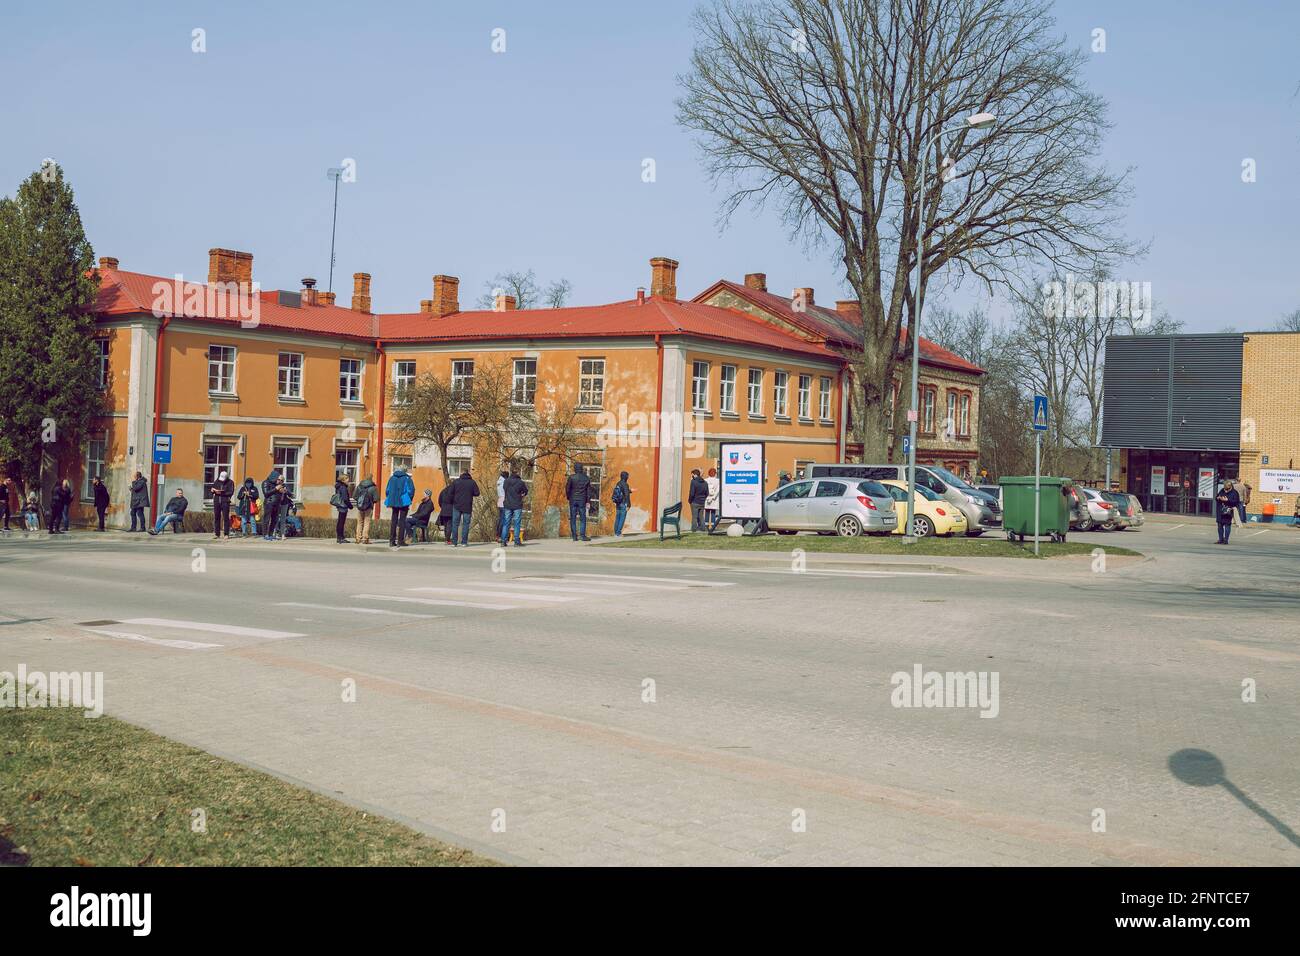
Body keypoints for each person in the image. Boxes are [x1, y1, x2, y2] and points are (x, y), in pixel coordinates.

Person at [385, 465, 415, 548]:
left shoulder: (391, 478)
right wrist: (409, 499)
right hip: (403, 501)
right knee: (402, 521)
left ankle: (391, 541)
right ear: (405, 470)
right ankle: (400, 541)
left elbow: (387, 490)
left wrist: (390, 498)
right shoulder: (407, 479)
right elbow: (411, 490)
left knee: (394, 521)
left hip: (393, 501)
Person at [450, 468, 480, 547]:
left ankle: (454, 542)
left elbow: (450, 492)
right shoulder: (472, 482)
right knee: (466, 524)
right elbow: (477, 493)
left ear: (461, 473)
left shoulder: (456, 482)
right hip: (467, 505)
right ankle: (464, 542)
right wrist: (470, 493)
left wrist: (454, 498)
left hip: (457, 505)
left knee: (455, 524)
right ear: (468, 473)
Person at [500, 468, 528, 546]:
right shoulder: (520, 482)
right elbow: (526, 491)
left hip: (507, 504)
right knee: (517, 523)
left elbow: (504, 489)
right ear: (518, 473)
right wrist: (521, 495)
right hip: (517, 504)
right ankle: (516, 541)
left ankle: (503, 541)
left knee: (506, 523)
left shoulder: (506, 481)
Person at [565, 463, 592, 541]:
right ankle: (582, 536)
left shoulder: (571, 477)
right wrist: (588, 501)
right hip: (582, 500)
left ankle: (574, 536)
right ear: (581, 469)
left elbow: (567, 489)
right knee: (582, 518)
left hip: (573, 500)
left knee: (573, 518)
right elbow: (588, 491)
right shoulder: (586, 478)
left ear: (575, 469)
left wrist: (568, 497)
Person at [210, 470, 234, 539]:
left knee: (226, 518)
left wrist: (222, 493)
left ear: (227, 477)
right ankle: (217, 533)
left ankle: (226, 534)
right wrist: (212, 491)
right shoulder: (217, 481)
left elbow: (231, 492)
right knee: (217, 517)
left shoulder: (230, 482)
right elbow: (212, 489)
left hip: (225, 501)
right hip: (217, 501)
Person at [353, 474, 377, 544]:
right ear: (371, 478)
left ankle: (358, 538)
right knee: (367, 522)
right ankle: (365, 538)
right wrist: (371, 501)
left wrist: (360, 501)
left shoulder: (359, 486)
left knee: (359, 522)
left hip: (360, 507)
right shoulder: (373, 487)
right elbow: (376, 498)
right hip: (369, 507)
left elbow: (354, 496)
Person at [1215, 480, 1239, 545]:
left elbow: (1236, 502)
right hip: (1220, 510)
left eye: (1227, 488)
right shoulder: (1222, 490)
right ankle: (1220, 539)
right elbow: (1216, 497)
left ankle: (1226, 540)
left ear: (1230, 486)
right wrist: (1218, 498)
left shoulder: (1234, 493)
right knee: (1219, 525)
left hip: (1228, 511)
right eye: (1224, 488)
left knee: (1227, 525)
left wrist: (1227, 500)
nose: (1225, 490)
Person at [261, 469, 282, 541]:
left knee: (274, 520)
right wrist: (276, 489)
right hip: (268, 503)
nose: (277, 480)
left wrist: (281, 491)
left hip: (276, 504)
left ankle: (271, 534)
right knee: (266, 519)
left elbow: (278, 494)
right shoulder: (265, 483)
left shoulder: (276, 484)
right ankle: (265, 534)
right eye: (277, 478)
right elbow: (266, 493)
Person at [331, 473, 352, 544]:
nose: (348, 480)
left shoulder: (339, 486)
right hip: (343, 506)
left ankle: (340, 537)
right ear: (343, 480)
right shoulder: (343, 487)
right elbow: (345, 499)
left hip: (340, 505)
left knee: (340, 522)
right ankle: (340, 538)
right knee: (341, 522)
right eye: (347, 479)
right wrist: (350, 506)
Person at [611, 470, 632, 537]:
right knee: (622, 518)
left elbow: (621, 491)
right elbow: (626, 494)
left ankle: (615, 532)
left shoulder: (618, 483)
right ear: (626, 477)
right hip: (623, 503)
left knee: (617, 517)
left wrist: (630, 490)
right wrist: (629, 504)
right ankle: (618, 533)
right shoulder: (625, 484)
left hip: (618, 503)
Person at [496, 469, 509, 541]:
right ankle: (502, 536)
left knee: (500, 519)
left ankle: (498, 535)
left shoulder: (499, 481)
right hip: (504, 501)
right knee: (504, 520)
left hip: (500, 501)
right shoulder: (504, 482)